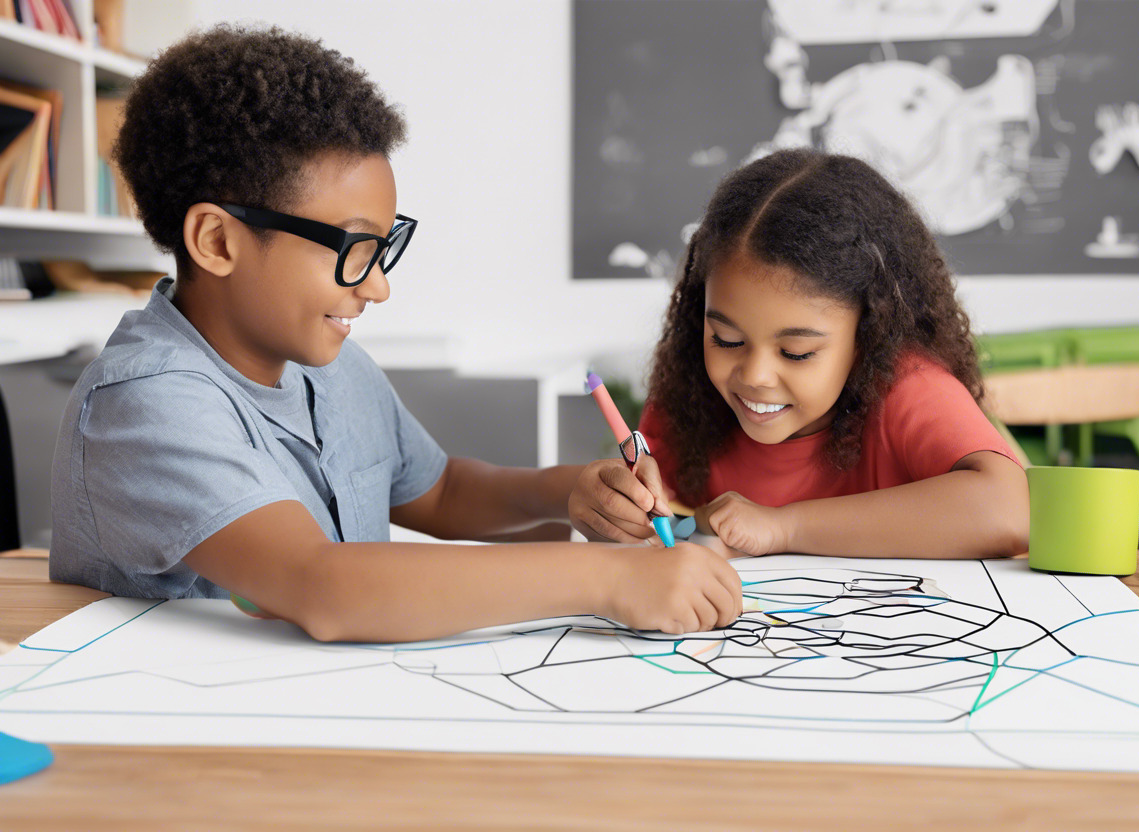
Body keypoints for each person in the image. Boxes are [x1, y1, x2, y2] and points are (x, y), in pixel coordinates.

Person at [49, 25, 740, 642]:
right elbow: (322, 584)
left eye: (385, 249)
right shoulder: (144, 404)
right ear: (217, 241)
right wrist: (611, 580)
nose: (378, 285)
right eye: (352, 250)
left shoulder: (328, 364)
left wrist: (566, 491)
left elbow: (439, 492)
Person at [569, 149, 1028, 559]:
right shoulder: (689, 396)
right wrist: (618, 516)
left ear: (868, 335)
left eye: (796, 352)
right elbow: (654, 529)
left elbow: (1010, 511)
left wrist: (783, 526)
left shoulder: (907, 387)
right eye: (727, 340)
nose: (755, 376)